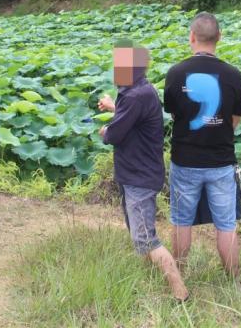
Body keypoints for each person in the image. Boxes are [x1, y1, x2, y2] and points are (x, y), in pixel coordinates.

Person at [98, 42, 188, 301]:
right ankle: (150, 278)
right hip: (139, 173)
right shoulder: (141, 90)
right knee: (139, 232)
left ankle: (180, 293)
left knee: (146, 238)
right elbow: (133, 116)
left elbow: (115, 134)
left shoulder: (135, 95)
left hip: (139, 176)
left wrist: (106, 132)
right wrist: (114, 107)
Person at [164, 12, 241, 276]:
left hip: (184, 160)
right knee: (225, 225)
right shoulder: (233, 75)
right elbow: (235, 119)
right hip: (221, 163)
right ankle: (235, 281)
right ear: (219, 38)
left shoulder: (175, 73)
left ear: (192, 37)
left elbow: (175, 115)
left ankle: (179, 276)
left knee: (181, 221)